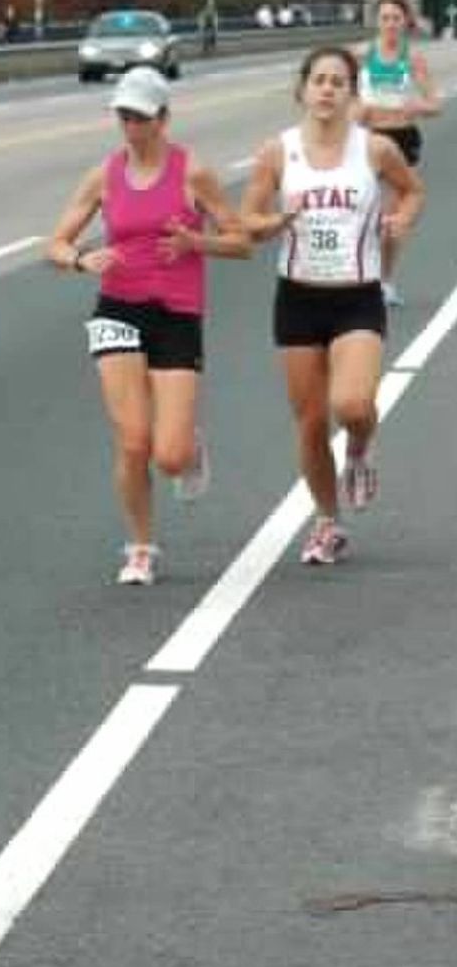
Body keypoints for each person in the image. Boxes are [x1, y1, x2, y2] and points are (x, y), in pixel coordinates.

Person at [46, 66, 250, 585]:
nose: (130, 126)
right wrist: (78, 260)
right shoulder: (103, 175)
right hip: (117, 308)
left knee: (170, 455)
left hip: (178, 313)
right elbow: (55, 243)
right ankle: (140, 547)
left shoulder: (191, 172)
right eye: (124, 116)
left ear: (163, 118)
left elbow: (242, 240)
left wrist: (195, 244)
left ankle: (187, 445)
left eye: (140, 117)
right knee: (133, 440)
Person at [240, 47, 423, 565]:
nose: (326, 90)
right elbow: (246, 219)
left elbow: (412, 192)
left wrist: (402, 219)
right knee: (312, 423)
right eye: (318, 80)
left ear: (351, 93)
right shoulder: (278, 152)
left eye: (337, 82)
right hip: (297, 297)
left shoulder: (376, 149)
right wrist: (273, 223)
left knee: (353, 405)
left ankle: (360, 450)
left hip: (356, 296)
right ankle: (326, 522)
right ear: (302, 89)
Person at [354, 0, 442, 308]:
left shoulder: (414, 59)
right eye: (385, 17)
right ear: (376, 21)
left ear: (406, 22)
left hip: (403, 138)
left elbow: (435, 103)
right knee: (364, 211)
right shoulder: (361, 56)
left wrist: (420, 106)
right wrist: (357, 111)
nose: (390, 24)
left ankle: (385, 282)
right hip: (367, 139)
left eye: (396, 18)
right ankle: (361, 276)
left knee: (392, 217)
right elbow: (340, 99)